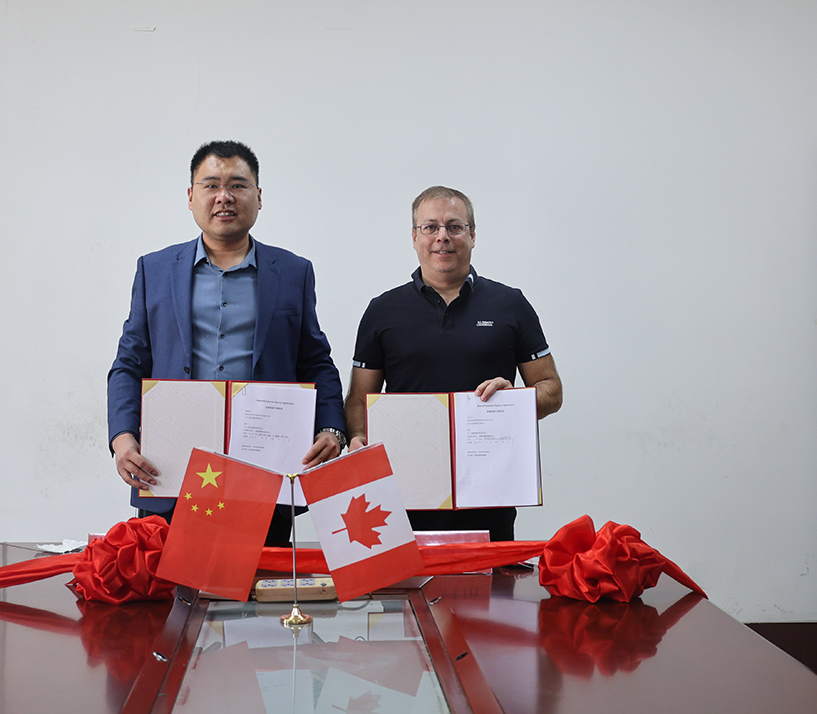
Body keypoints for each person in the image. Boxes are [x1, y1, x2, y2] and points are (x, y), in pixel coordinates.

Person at [108, 140, 346, 544]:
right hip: (172, 467)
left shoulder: (293, 272)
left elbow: (315, 361)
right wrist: (122, 437)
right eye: (211, 185)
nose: (224, 196)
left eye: (237, 185)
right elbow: (129, 363)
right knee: (169, 579)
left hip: (264, 470)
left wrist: (331, 429)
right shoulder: (155, 269)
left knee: (261, 579)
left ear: (258, 196)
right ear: (190, 196)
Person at [344, 186, 562, 541]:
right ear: (414, 237)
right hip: (403, 494)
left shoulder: (511, 304)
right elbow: (357, 399)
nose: (442, 236)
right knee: (407, 577)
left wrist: (515, 401)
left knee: (489, 578)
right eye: (430, 227)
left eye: (454, 226)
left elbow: (552, 390)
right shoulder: (382, 310)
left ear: (472, 235)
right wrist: (357, 438)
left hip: (489, 492)